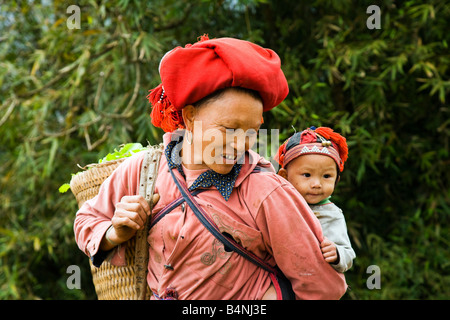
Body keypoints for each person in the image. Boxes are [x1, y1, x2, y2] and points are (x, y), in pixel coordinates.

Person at [74, 35, 347, 300]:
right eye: (229, 129)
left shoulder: (266, 191)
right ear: (191, 116)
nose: (241, 144)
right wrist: (114, 233)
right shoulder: (145, 170)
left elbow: (322, 287)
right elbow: (86, 221)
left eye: (252, 131)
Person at [275, 126, 356, 273]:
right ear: (284, 176)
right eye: (306, 175)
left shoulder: (332, 214)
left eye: (326, 176)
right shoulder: (276, 205)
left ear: (336, 180)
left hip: (313, 280)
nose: (317, 184)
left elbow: (348, 255)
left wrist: (337, 253)